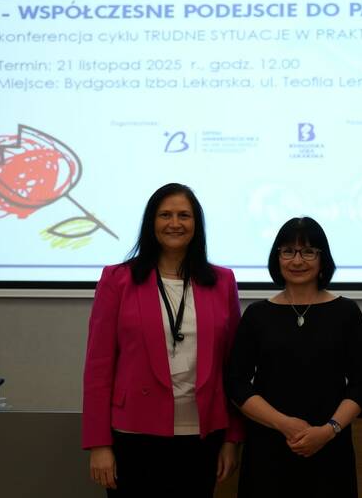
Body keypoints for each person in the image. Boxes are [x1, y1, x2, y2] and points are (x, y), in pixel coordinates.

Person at [82, 183, 243, 497]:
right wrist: (99, 444)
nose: (174, 223)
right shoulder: (117, 279)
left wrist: (232, 439)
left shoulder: (222, 281)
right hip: (133, 433)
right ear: (151, 222)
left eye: (184, 215)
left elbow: (232, 367)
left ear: (196, 224)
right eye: (165, 215)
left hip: (202, 435)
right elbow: (98, 367)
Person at [225, 217, 362, 498]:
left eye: (308, 252)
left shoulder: (346, 313)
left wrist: (328, 431)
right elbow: (237, 384)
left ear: (322, 258)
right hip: (268, 448)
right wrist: (283, 424)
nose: (297, 260)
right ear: (277, 257)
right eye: (288, 251)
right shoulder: (257, 315)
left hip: (330, 448)